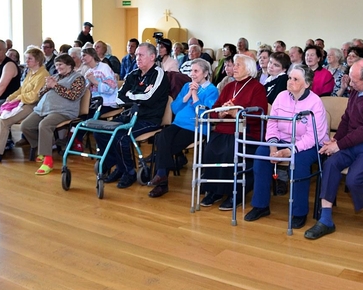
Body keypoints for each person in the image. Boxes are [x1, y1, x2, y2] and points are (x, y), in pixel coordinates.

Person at [304, 59, 363, 240]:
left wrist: (339, 144)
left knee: (354, 179)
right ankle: (326, 219)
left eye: (354, 81)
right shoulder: (356, 91)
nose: (350, 84)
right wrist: (335, 140)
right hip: (351, 143)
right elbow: (346, 120)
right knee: (330, 165)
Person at [244, 64, 329, 228]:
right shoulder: (281, 96)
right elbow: (272, 123)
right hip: (282, 140)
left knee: (299, 162)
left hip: (308, 145)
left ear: (307, 84)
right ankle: (260, 206)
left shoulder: (315, 102)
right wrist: (273, 146)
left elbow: (313, 136)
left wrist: (290, 150)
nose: (290, 82)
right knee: (262, 155)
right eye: (290, 78)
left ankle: (299, 212)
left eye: (295, 79)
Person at [199, 54, 269, 211]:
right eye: (233, 65)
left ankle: (234, 193)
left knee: (230, 150)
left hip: (246, 131)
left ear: (249, 69)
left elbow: (259, 114)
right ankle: (214, 190)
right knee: (210, 149)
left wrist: (236, 113)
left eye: (238, 65)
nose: (234, 67)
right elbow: (214, 110)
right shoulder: (229, 87)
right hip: (224, 129)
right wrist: (222, 113)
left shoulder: (257, 87)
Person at [98, 43, 170, 188]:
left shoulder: (159, 74)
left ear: (152, 57)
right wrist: (136, 95)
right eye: (136, 55)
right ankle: (118, 164)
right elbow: (119, 98)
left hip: (149, 119)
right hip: (130, 115)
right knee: (101, 132)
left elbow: (149, 98)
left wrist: (131, 94)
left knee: (121, 136)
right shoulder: (133, 74)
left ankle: (129, 172)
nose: (137, 58)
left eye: (141, 55)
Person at [147, 59, 219, 197]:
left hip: (196, 127)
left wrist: (195, 95)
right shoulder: (187, 86)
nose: (192, 74)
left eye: (196, 71)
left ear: (205, 73)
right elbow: (174, 108)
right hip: (178, 123)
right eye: (191, 71)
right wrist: (186, 95)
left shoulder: (212, 90)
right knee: (162, 136)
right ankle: (162, 174)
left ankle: (161, 179)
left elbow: (204, 114)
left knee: (166, 146)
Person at [0, 47, 49, 163]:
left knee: (5, 120)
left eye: (29, 59)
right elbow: (21, 89)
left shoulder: (43, 75)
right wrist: (10, 98)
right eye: (26, 58)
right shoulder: (30, 72)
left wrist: (17, 99)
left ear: (37, 61)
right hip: (23, 102)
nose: (27, 61)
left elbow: (34, 96)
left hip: (33, 105)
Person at [20, 54, 86, 175]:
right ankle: (43, 147)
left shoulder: (78, 78)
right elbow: (40, 94)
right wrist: (47, 86)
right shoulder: (55, 76)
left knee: (44, 125)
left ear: (69, 65)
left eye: (60, 64)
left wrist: (55, 86)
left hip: (64, 111)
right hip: (44, 109)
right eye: (56, 65)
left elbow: (73, 96)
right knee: (25, 126)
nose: (57, 67)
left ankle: (48, 161)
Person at [81, 46, 118, 116]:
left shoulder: (104, 68)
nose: (81, 58)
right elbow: (85, 92)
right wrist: (88, 84)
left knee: (88, 118)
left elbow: (111, 89)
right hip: (94, 103)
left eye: (84, 55)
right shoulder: (88, 72)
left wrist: (94, 81)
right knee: (81, 115)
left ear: (92, 55)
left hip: (108, 103)